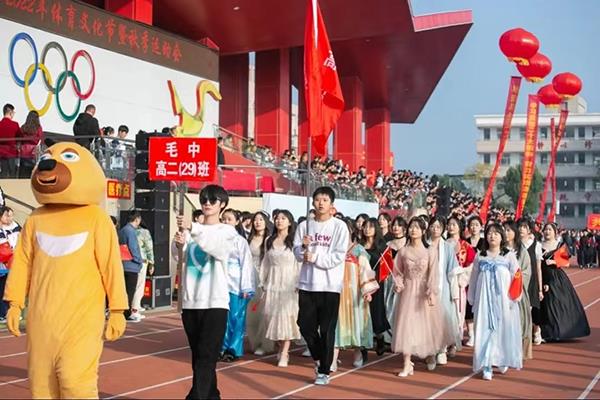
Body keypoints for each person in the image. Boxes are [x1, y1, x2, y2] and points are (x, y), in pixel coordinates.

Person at [173, 184, 241, 399]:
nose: (207, 204)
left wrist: (193, 228)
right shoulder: (190, 231)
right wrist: (178, 244)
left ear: (222, 205)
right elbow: (179, 258)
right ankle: (212, 396)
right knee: (199, 357)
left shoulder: (227, 231)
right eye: (204, 200)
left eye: (213, 200)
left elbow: (217, 249)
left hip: (215, 302)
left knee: (206, 356)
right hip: (191, 302)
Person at [293, 186, 350, 386]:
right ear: (313, 202)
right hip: (307, 284)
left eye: (325, 200)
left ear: (331, 204)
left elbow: (338, 256)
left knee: (326, 330)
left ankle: (324, 370)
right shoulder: (304, 226)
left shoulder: (339, 227)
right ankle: (319, 357)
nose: (320, 203)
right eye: (317, 199)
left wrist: (315, 257)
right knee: (304, 325)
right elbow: (296, 253)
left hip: (329, 285)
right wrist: (303, 247)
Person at [392, 217, 452, 377]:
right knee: (406, 327)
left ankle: (430, 354)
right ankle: (407, 363)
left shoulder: (430, 251)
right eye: (411, 227)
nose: (413, 230)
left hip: (423, 292)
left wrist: (431, 291)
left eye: (417, 227)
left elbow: (434, 274)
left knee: (427, 326)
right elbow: (397, 272)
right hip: (407, 293)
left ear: (423, 231)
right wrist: (398, 284)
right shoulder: (403, 251)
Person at [468, 223, 522, 381]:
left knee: (502, 328)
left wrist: (514, 297)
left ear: (501, 237)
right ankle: (487, 364)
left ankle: (502, 358)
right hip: (484, 300)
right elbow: (473, 278)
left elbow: (517, 276)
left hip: (503, 300)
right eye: (490, 233)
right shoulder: (481, 256)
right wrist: (472, 298)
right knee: (485, 329)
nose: (492, 236)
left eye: (496, 233)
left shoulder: (508, 255)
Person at [332, 219, 378, 369]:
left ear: (351, 231)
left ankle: (358, 352)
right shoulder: (333, 250)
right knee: (335, 324)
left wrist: (367, 290)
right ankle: (332, 359)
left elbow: (366, 270)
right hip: (336, 293)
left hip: (355, 295)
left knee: (356, 322)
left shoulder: (359, 250)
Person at [260, 209, 301, 367]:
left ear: (290, 222)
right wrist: (263, 282)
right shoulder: (269, 240)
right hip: (272, 282)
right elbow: (265, 262)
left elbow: (299, 263)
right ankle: (280, 346)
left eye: (283, 218)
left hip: (289, 284)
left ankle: (285, 352)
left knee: (286, 318)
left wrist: (298, 282)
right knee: (271, 318)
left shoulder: (294, 241)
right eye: (277, 218)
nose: (279, 221)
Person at [539, 223, 590, 341]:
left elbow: (566, 262)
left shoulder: (560, 245)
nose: (547, 232)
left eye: (550, 230)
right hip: (542, 276)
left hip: (556, 277)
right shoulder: (539, 245)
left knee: (556, 303)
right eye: (545, 229)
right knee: (544, 306)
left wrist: (554, 262)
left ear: (555, 232)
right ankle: (545, 332)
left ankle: (559, 331)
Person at [220, 209, 255, 362]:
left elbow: (246, 264)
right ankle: (221, 347)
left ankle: (233, 349)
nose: (226, 222)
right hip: (220, 283)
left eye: (229, 219)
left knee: (236, 317)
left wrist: (246, 286)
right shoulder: (218, 239)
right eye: (224, 219)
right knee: (222, 319)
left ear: (236, 221)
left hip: (236, 284)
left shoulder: (240, 241)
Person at [428, 216, 462, 367]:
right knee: (428, 320)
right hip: (426, 288)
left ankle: (441, 349)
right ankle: (430, 350)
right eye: (433, 226)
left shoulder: (447, 247)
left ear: (442, 229)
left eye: (438, 227)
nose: (435, 229)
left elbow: (452, 270)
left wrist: (454, 290)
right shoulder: (425, 245)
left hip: (443, 288)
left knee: (442, 319)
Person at [246, 211, 275, 355]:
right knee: (251, 313)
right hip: (250, 278)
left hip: (264, 278)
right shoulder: (249, 238)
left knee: (264, 313)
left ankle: (265, 344)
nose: (257, 222)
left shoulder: (269, 240)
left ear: (266, 222)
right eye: (255, 220)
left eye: (261, 220)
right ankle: (254, 342)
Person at [361, 218, 391, 356]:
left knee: (375, 314)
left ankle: (380, 338)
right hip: (361, 284)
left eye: (371, 227)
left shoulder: (382, 247)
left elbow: (388, 267)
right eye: (365, 226)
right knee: (362, 314)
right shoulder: (359, 246)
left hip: (376, 284)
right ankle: (363, 347)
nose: (367, 229)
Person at [504, 220, 533, 360]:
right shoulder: (499, 250)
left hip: (517, 293)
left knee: (520, 322)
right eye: (504, 230)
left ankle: (519, 352)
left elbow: (526, 272)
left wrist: (515, 279)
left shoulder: (522, 252)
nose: (505, 233)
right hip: (502, 292)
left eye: (508, 230)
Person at [517, 218, 544, 345]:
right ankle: (523, 334)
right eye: (520, 227)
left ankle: (536, 331)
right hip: (518, 280)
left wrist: (540, 289)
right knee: (520, 309)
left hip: (532, 281)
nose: (521, 229)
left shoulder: (536, 245)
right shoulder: (515, 245)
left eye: (524, 227)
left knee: (531, 308)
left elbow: (538, 268)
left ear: (529, 230)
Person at [118, 211, 144, 322]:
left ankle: (122, 312)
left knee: (124, 290)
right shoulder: (131, 231)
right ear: (137, 219)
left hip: (123, 263)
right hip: (131, 265)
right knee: (130, 291)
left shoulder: (122, 230)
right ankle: (127, 313)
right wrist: (139, 261)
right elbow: (133, 247)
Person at [0, 206, 21, 323]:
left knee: (11, 288)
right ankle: (3, 314)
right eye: (7, 215)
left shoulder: (16, 226)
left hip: (13, 261)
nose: (10, 218)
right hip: (3, 263)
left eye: (11, 215)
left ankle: (10, 312)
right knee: (2, 288)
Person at [131, 222, 155, 320]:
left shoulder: (127, 231)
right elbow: (149, 248)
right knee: (139, 285)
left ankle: (134, 307)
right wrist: (152, 263)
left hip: (128, 261)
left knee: (131, 286)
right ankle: (135, 310)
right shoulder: (144, 232)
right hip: (142, 260)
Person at [18, 110, 43, 178]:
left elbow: (19, 138)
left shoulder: (23, 127)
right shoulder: (38, 128)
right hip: (33, 152)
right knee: (32, 174)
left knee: (23, 173)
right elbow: (40, 138)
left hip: (23, 151)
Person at [0, 104, 20, 178]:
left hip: (1, 153)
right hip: (12, 152)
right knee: (12, 174)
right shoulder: (15, 124)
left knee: (3, 173)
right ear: (10, 112)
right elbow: (20, 137)